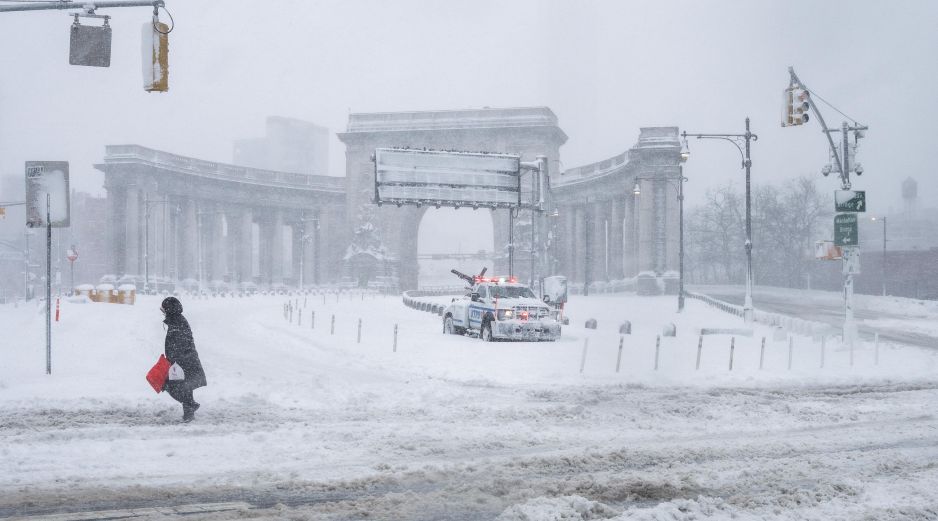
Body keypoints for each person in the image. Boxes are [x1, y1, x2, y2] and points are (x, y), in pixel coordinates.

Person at [160, 296, 207, 422]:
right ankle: (189, 411)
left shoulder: (177, 322)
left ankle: (190, 406)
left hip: (183, 361)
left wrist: (173, 361)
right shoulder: (176, 320)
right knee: (184, 386)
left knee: (172, 386)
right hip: (184, 360)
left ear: (169, 309)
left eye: (163, 309)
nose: (162, 312)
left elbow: (179, 343)